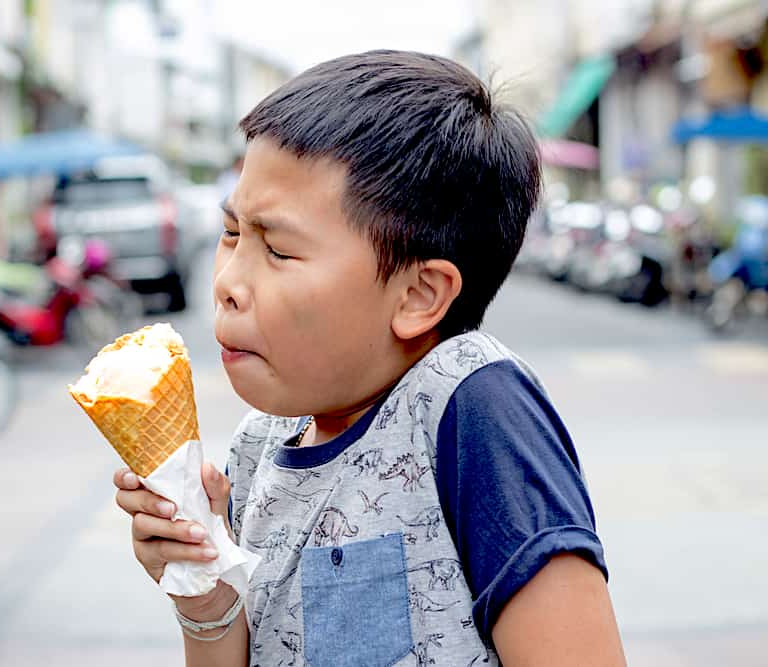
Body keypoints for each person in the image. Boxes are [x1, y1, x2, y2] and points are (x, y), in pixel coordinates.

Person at [113, 51, 626, 666]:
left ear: (417, 296)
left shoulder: (471, 406)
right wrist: (206, 597)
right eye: (231, 234)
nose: (228, 280)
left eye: (276, 248)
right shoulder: (257, 448)